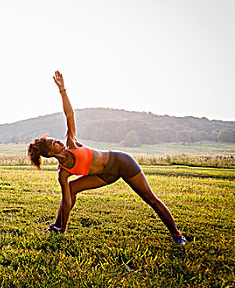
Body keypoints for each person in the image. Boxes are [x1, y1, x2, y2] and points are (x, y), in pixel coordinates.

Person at [27, 71, 186, 245]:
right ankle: (59, 228)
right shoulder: (63, 173)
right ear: (50, 154)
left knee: (150, 199)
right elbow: (66, 201)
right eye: (54, 143)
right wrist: (64, 227)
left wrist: (63, 90)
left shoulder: (71, 143)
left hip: (121, 162)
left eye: (56, 139)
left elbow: (69, 115)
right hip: (105, 175)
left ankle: (177, 235)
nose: (58, 141)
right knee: (70, 189)